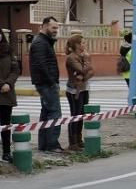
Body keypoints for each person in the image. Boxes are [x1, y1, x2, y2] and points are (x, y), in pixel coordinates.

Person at [29, 16, 66, 153]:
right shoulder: (40, 43)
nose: (56, 30)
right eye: (53, 27)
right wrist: (51, 81)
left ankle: (44, 145)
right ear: (44, 26)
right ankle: (52, 145)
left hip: (45, 82)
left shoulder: (45, 42)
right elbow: (41, 65)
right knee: (55, 113)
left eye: (57, 28)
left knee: (46, 113)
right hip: (46, 83)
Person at [64, 34, 95, 150]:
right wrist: (87, 61)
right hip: (74, 90)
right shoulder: (72, 57)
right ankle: (73, 142)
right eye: (82, 43)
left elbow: (92, 72)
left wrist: (84, 76)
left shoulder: (81, 56)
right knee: (75, 115)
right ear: (77, 45)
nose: (84, 45)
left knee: (81, 115)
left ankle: (79, 139)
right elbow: (82, 70)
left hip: (83, 88)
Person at [0, 31, 20, 163]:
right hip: (2, 87)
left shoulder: (8, 51)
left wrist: (8, 83)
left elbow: (15, 69)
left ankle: (6, 152)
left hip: (6, 94)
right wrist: (1, 84)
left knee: (6, 125)